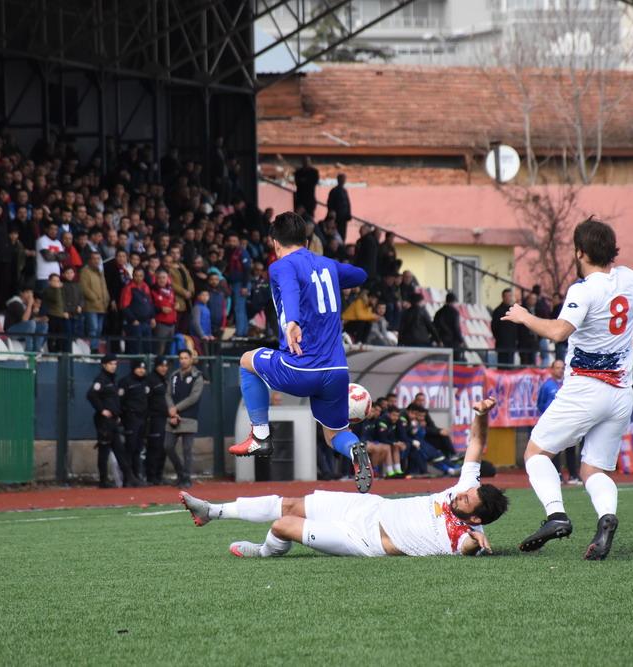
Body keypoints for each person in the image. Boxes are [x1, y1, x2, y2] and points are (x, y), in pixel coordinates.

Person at [501, 217, 633, 560]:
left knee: (536, 454)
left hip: (585, 390)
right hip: (621, 394)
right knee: (593, 469)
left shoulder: (583, 289)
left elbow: (560, 331)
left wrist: (524, 316)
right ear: (611, 249)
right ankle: (606, 518)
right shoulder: (630, 279)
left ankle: (556, 515)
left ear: (580, 251)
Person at [180, 398, 508, 558]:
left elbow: (468, 546)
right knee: (291, 503)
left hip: (361, 539)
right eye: (466, 492)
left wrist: (477, 546)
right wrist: (481, 414)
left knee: (282, 527)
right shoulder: (466, 489)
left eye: (465, 501)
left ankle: (264, 552)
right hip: (367, 506)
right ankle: (211, 512)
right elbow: (477, 444)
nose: (458, 495)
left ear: (476, 517)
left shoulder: (461, 534)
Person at [226, 212, 374, 493]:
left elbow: (291, 290)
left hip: (301, 367)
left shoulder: (280, 266)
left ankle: (260, 434)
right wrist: (328, 271)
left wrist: (292, 320)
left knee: (246, 362)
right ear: (306, 241)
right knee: (334, 436)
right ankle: (355, 448)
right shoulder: (327, 265)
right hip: (336, 372)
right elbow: (361, 275)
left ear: (274, 243)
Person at [86, 354, 137, 488]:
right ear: (104, 365)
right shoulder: (101, 380)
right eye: (111, 364)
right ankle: (103, 480)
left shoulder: (112, 379)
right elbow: (91, 395)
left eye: (115, 364)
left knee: (120, 450)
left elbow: (113, 400)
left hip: (113, 420)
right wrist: (102, 410)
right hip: (104, 421)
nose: (113, 366)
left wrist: (117, 414)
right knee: (104, 450)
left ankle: (129, 477)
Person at [164, 350, 205, 488]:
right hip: (173, 417)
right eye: (181, 358)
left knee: (187, 449)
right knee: (168, 446)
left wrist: (177, 408)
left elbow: (194, 397)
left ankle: (186, 478)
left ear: (191, 359)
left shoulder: (197, 376)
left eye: (185, 358)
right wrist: (172, 410)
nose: (183, 360)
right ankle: (180, 473)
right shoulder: (174, 375)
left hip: (189, 417)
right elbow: (168, 394)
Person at [538, 359, 579, 484]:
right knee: (554, 449)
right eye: (557, 367)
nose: (560, 370)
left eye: (562, 368)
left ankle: (573, 475)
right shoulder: (547, 385)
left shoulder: (568, 384)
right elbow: (540, 403)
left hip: (569, 421)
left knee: (570, 448)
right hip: (554, 422)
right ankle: (557, 475)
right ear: (552, 369)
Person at [119, 359, 150, 485]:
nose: (141, 370)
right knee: (130, 448)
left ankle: (137, 476)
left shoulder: (145, 382)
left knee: (138, 448)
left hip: (142, 418)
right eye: (139, 368)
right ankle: (128, 477)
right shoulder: (125, 382)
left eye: (143, 368)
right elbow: (120, 401)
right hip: (131, 418)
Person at [145, 356, 170, 486]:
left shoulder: (165, 379)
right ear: (156, 366)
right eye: (161, 366)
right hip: (155, 418)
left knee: (164, 447)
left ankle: (159, 475)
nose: (164, 368)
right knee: (154, 447)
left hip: (166, 417)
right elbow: (146, 400)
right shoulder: (151, 379)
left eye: (165, 366)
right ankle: (151, 476)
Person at [80, 252, 110, 354]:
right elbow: (85, 288)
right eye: (94, 258)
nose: (96, 261)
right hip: (91, 306)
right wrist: (95, 298)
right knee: (93, 328)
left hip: (102, 305)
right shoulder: (85, 271)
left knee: (99, 329)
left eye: (98, 258)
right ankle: (93, 348)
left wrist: (106, 299)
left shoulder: (100, 272)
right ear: (90, 260)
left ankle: (95, 346)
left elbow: (104, 287)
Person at [433, 292, 464, 361]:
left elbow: (434, 327)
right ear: (454, 301)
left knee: (443, 363)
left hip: (442, 341)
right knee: (455, 363)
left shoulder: (439, 312)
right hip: (453, 342)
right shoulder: (455, 312)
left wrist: (438, 340)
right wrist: (461, 340)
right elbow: (456, 328)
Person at [491, 288, 517, 366]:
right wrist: (500, 337)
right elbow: (494, 327)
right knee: (502, 366)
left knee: (510, 366)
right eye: (508, 296)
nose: (510, 298)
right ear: (503, 297)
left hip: (512, 344)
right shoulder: (498, 311)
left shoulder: (514, 310)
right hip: (502, 344)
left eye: (511, 296)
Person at [327, 173, 351, 243]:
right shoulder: (334, 191)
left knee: (343, 234)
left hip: (344, 218)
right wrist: (332, 215)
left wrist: (348, 214)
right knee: (337, 234)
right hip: (337, 218)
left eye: (344, 179)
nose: (343, 181)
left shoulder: (344, 191)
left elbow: (347, 204)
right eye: (342, 179)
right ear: (338, 180)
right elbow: (330, 204)